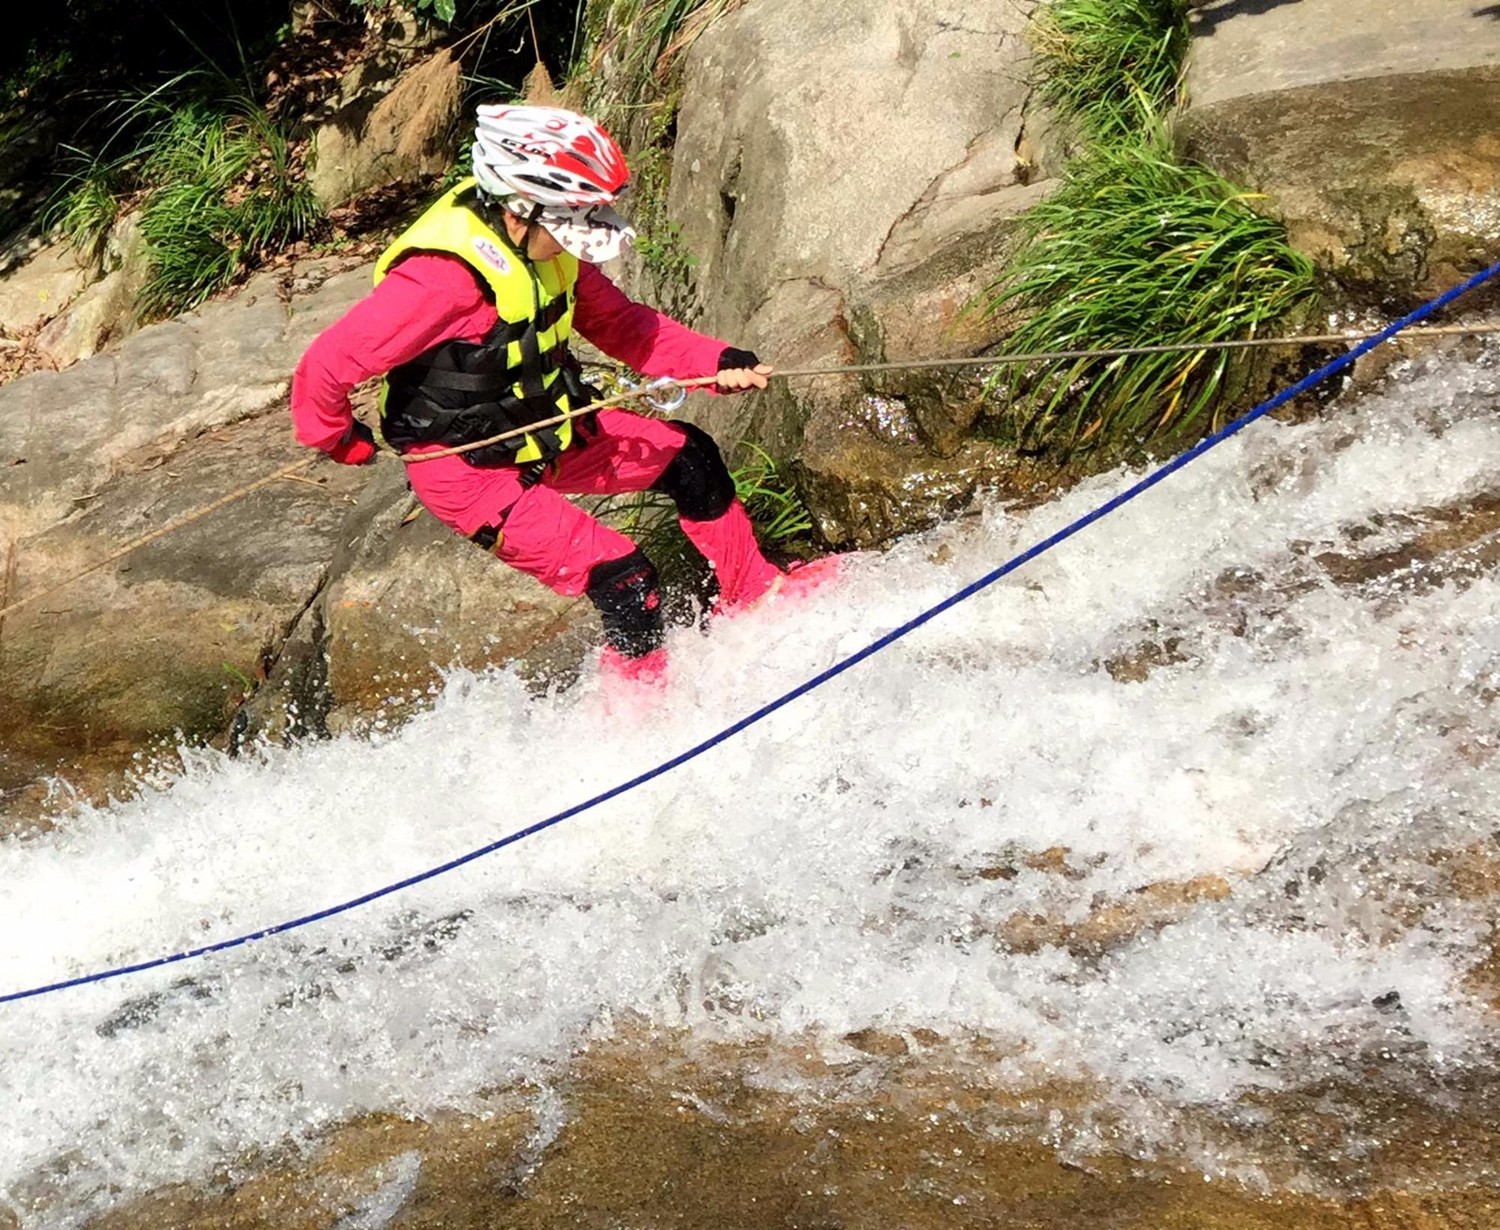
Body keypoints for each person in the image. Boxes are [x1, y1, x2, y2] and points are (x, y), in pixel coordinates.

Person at [290, 104, 791, 685]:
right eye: (571, 221)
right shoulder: (440, 280)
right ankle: (641, 708)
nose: (581, 239)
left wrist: (715, 361)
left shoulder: (547, 248)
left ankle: (755, 594)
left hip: (548, 428)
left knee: (692, 457)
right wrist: (337, 439)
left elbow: (623, 326)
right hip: (467, 470)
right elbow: (326, 365)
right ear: (518, 209)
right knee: (625, 579)